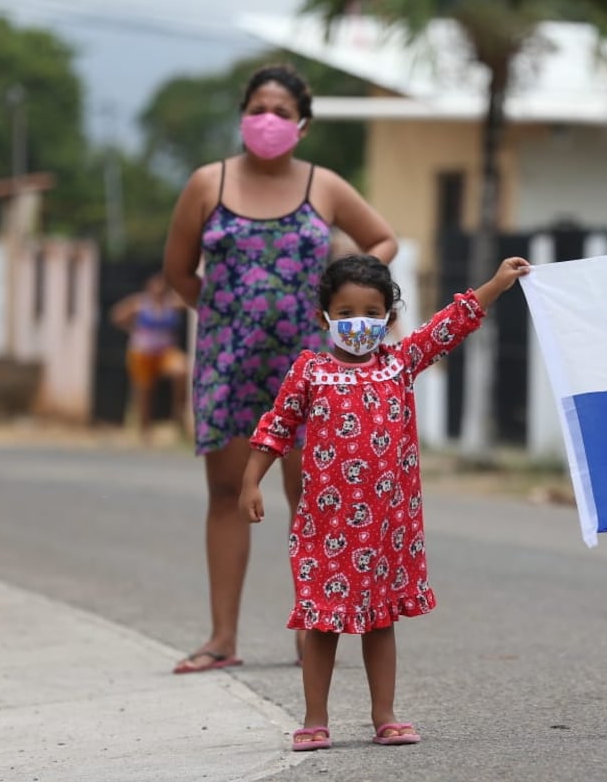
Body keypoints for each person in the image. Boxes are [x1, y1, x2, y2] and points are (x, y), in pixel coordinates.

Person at [239, 252, 530, 750]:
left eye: (372, 313)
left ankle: (385, 715)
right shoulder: (309, 372)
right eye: (347, 311)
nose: (360, 323)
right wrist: (251, 480)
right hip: (325, 528)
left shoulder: (399, 363)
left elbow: (448, 327)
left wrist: (497, 285)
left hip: (386, 528)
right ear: (324, 316)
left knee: (380, 622)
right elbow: (278, 425)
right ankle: (314, 719)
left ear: (389, 318)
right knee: (322, 623)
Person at [162, 64, 399, 674]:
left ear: (303, 124)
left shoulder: (324, 186)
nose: (268, 120)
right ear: (243, 114)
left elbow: (383, 241)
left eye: (282, 112)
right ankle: (221, 639)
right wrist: (223, 318)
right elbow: (179, 271)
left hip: (308, 367)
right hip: (227, 364)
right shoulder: (205, 184)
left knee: (309, 495)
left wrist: (348, 297)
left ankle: (311, 630)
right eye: (258, 108)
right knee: (225, 492)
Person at [109, 273, 187, 443]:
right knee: (144, 391)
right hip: (142, 352)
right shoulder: (139, 304)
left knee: (181, 371)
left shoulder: (172, 304)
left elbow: (192, 303)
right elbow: (116, 315)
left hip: (165, 352)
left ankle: (178, 417)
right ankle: (145, 430)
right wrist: (132, 330)